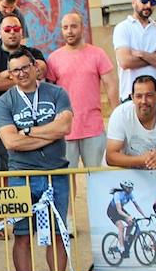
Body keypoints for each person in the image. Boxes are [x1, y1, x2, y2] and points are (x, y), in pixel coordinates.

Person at [0, 48, 74, 271]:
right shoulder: (4, 102)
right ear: (9, 74)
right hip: (21, 177)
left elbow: (65, 127)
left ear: (35, 67)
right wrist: (50, 132)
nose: (21, 73)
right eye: (15, 69)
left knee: (58, 235)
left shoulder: (57, 93)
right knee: (22, 235)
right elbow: (11, 142)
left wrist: (27, 132)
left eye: (25, 67)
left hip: (55, 173)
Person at [47, 11, 119, 169]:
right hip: (64, 129)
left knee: (96, 177)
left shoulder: (97, 54)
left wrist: (117, 116)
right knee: (66, 179)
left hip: (92, 127)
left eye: (73, 26)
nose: (69, 31)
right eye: (65, 27)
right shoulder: (54, 59)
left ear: (82, 28)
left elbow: (111, 84)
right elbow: (49, 92)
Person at [0, 17, 48, 171]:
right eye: (7, 29)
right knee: (6, 169)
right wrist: (25, 76)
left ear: (22, 32)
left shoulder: (34, 53)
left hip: (34, 122)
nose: (12, 32)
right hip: (4, 124)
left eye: (16, 29)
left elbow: (41, 71)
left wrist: (6, 74)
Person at [112, 0, 156, 106]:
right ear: (133, 2)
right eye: (144, 1)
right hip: (131, 95)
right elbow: (125, 62)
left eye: (152, 2)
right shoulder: (122, 28)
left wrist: (142, 54)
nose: (148, 5)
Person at [105, 75, 156, 170]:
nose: (143, 101)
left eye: (149, 95)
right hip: (121, 172)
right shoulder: (120, 114)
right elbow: (111, 157)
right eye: (139, 96)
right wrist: (143, 160)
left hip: (151, 171)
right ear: (132, 98)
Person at [105, 179, 149, 254]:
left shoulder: (130, 194)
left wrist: (144, 215)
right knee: (121, 227)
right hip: (112, 211)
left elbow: (137, 206)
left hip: (121, 210)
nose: (132, 189)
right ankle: (121, 247)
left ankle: (125, 239)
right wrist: (128, 216)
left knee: (131, 223)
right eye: (130, 188)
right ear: (125, 188)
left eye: (132, 188)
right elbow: (119, 210)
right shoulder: (117, 195)